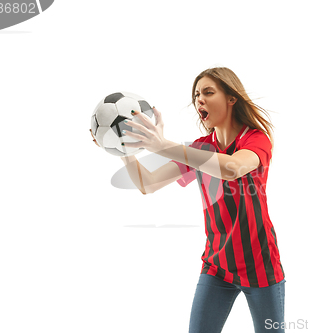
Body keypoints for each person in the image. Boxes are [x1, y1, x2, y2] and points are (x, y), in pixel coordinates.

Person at [91, 67, 285, 332]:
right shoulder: (200, 147)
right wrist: (123, 148)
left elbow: (231, 168)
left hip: (259, 266)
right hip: (217, 266)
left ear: (232, 98)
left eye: (208, 92)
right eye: (196, 95)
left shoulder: (256, 139)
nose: (199, 100)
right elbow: (149, 183)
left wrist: (162, 146)